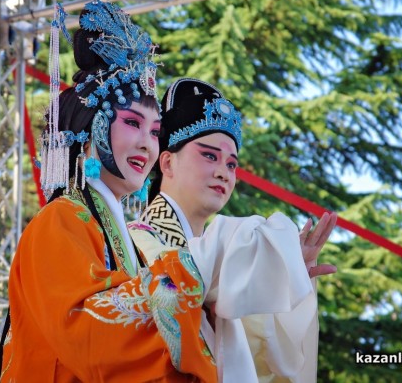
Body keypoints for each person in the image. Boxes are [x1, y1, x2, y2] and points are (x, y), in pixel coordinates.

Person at [0, 1, 219, 381]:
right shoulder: (60, 220)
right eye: (132, 122)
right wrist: (200, 270)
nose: (148, 145)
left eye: (154, 131)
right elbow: (90, 330)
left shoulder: (128, 240)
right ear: (89, 127)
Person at [129, 78, 337, 382]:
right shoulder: (134, 241)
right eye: (210, 156)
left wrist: (284, 279)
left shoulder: (228, 267)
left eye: (231, 164)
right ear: (168, 162)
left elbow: (259, 363)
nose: (222, 172)